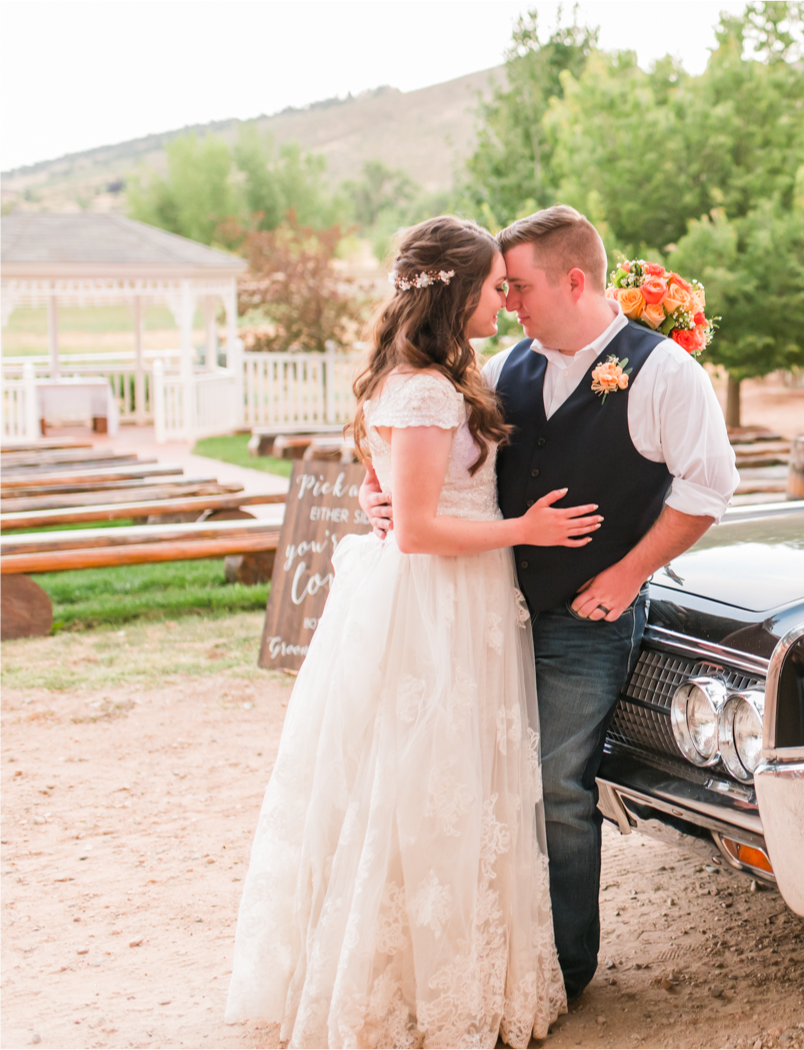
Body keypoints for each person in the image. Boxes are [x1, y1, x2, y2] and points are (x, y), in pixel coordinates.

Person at [226, 216, 598, 1048]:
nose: (504, 298)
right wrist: (523, 532)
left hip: (454, 597)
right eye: (493, 286)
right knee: (424, 781)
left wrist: (377, 498)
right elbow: (421, 529)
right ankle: (413, 991)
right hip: (440, 599)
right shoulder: (426, 388)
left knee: (441, 783)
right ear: (458, 292)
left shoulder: (436, 374)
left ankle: (440, 973)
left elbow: (385, 492)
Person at [361, 205, 739, 1001]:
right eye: (501, 290)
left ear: (574, 280)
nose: (511, 305)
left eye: (520, 287)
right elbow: (430, 461)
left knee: (556, 788)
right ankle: (499, 959)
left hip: (581, 620)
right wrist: (385, 499)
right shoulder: (504, 368)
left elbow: (710, 486)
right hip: (486, 618)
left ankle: (562, 971)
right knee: (487, 782)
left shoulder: (664, 371)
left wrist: (631, 572)